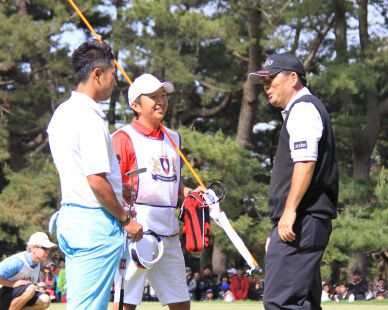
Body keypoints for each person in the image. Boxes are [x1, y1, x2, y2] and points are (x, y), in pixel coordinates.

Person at [47, 39, 143, 309]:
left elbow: (79, 173)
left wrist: (116, 186)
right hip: (94, 225)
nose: (116, 82)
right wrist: (126, 220)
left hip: (72, 218)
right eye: (113, 74)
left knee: (81, 303)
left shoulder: (61, 113)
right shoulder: (89, 117)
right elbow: (95, 180)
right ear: (97, 74)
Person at [249, 53, 339, 310]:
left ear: (292, 78)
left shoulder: (303, 109)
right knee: (304, 303)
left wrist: (288, 214)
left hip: (302, 220)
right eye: (263, 82)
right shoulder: (301, 110)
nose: (266, 86)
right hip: (304, 221)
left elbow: (305, 163)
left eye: (271, 79)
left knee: (281, 301)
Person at [111, 73, 204, 310]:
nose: (161, 100)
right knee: (124, 303)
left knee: (181, 304)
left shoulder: (174, 137)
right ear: (135, 105)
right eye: (153, 96)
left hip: (169, 233)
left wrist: (191, 193)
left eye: (163, 95)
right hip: (136, 231)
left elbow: (172, 181)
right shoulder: (122, 137)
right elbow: (111, 184)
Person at [0, 232, 56, 309]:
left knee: (45, 300)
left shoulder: (37, 263)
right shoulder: (17, 262)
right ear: (33, 248)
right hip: (3, 295)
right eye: (44, 248)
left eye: (48, 249)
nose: (48, 251)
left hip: (14, 297)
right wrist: (12, 284)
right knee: (30, 289)